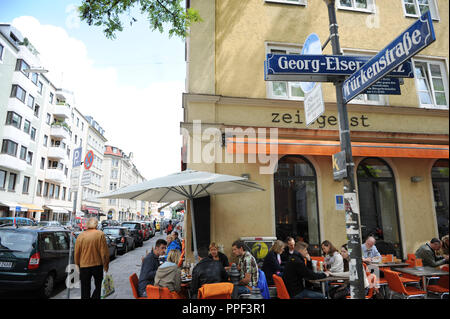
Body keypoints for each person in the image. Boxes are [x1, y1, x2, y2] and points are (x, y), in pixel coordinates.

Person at [74, 217, 110, 299]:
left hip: (84, 266)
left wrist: (76, 264)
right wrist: (106, 265)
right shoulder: (100, 234)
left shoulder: (81, 235)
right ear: (96, 224)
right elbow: (104, 253)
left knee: (85, 289)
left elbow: (77, 252)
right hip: (97, 265)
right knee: (99, 286)